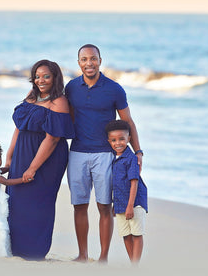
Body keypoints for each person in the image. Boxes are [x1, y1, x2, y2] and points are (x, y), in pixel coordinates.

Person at [65, 44, 143, 262]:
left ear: (100, 60)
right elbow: (66, 118)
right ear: (78, 62)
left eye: (93, 58)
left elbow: (128, 122)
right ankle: (82, 254)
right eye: (84, 59)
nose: (89, 63)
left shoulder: (114, 89)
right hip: (77, 152)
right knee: (79, 205)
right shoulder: (71, 88)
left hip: (104, 155)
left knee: (104, 206)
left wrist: (138, 151)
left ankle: (103, 257)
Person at [4, 59, 75, 260]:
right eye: (37, 76)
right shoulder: (31, 96)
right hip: (22, 152)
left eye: (46, 76)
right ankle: (15, 248)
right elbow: (19, 127)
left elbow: (52, 139)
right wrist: (10, 156)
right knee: (16, 199)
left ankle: (34, 251)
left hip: (47, 158)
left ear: (55, 78)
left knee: (37, 202)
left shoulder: (59, 102)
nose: (41, 80)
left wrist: (33, 167)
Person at [105, 120, 147, 264]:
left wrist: (130, 206)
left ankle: (135, 267)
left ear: (129, 139)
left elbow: (134, 183)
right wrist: (115, 206)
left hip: (134, 202)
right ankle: (132, 264)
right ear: (109, 141)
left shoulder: (131, 159)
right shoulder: (113, 158)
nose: (118, 143)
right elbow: (116, 185)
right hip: (121, 203)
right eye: (114, 140)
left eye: (122, 139)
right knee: (125, 234)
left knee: (136, 233)